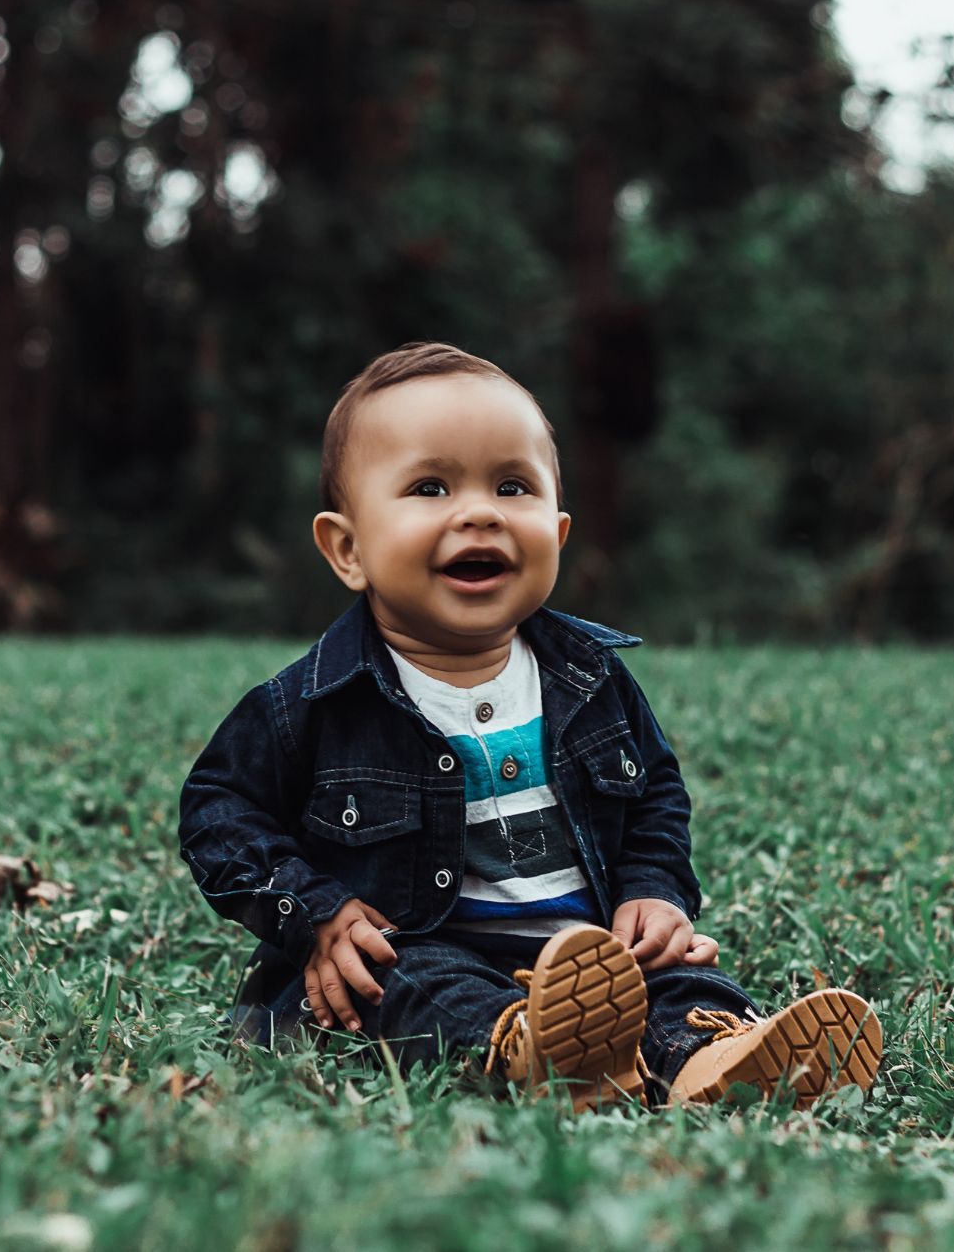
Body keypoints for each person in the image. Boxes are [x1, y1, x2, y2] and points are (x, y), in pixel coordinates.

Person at [179, 342, 883, 1110]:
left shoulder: (590, 677)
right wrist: (316, 914)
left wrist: (655, 894)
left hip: (594, 961)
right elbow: (219, 810)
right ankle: (528, 1047)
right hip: (420, 947)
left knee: (680, 979)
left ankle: (709, 1060)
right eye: (430, 486)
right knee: (407, 986)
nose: (481, 511)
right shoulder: (312, 703)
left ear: (558, 532)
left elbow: (654, 795)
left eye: (513, 486)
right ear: (348, 549)